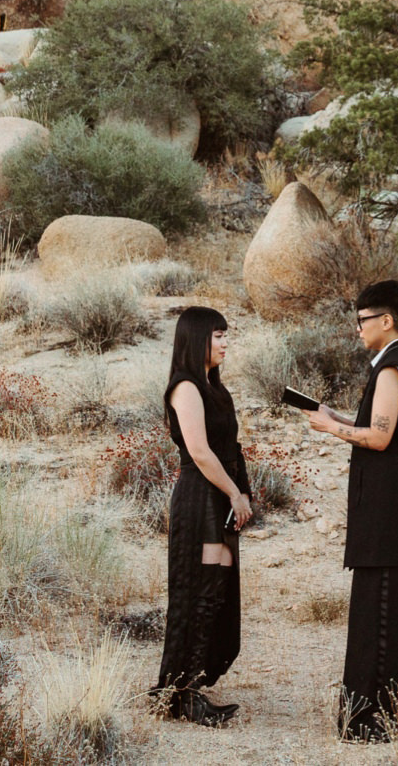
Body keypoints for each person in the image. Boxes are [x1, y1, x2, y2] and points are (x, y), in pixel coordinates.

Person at [307, 279, 398, 741]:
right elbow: (385, 428)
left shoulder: (390, 369)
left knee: (381, 618)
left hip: (388, 522)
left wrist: (329, 429)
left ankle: (374, 720)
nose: (358, 328)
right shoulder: (397, 365)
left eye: (363, 320)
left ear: (386, 321)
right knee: (394, 615)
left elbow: (380, 437)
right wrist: (341, 417)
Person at [153, 305, 252, 726]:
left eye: (227, 334)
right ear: (197, 339)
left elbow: (231, 447)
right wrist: (233, 493)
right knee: (198, 593)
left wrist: (242, 492)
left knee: (215, 592)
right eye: (218, 335)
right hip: (200, 497)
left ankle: (187, 686)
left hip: (221, 496)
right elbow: (199, 452)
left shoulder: (215, 388)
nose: (225, 342)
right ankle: (180, 694)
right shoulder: (186, 388)